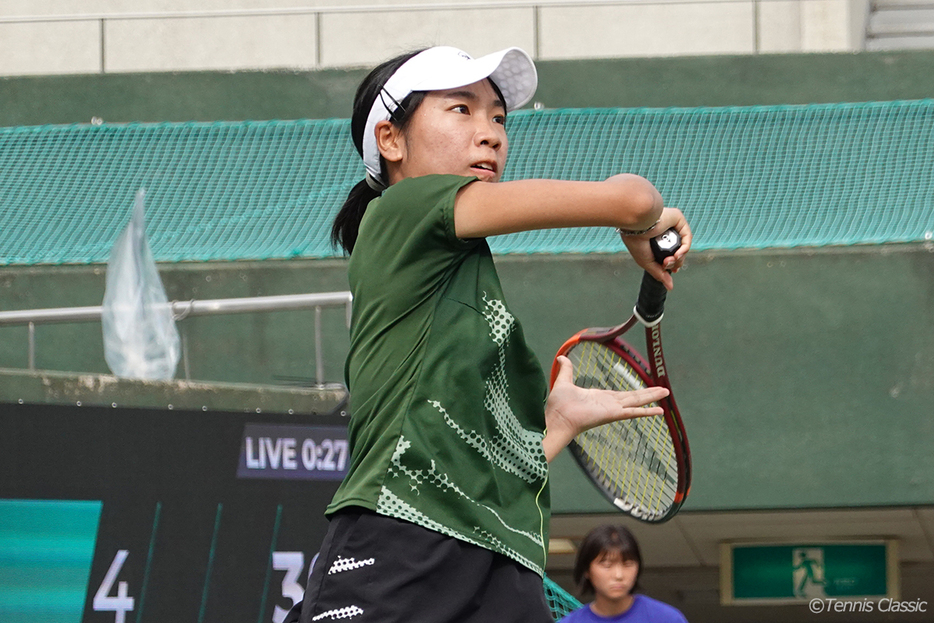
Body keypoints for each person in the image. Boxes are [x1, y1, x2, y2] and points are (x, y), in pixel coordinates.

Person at [287, 45, 691, 623]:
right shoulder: (401, 210)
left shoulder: (468, 299)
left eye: (498, 117)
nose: (491, 134)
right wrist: (646, 218)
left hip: (502, 562)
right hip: (399, 542)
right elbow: (630, 197)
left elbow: (485, 482)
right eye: (461, 110)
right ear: (391, 140)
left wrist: (558, 423)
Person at [561, 525, 688, 622]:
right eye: (607, 565)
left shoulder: (666, 619)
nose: (618, 575)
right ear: (587, 570)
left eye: (628, 564)